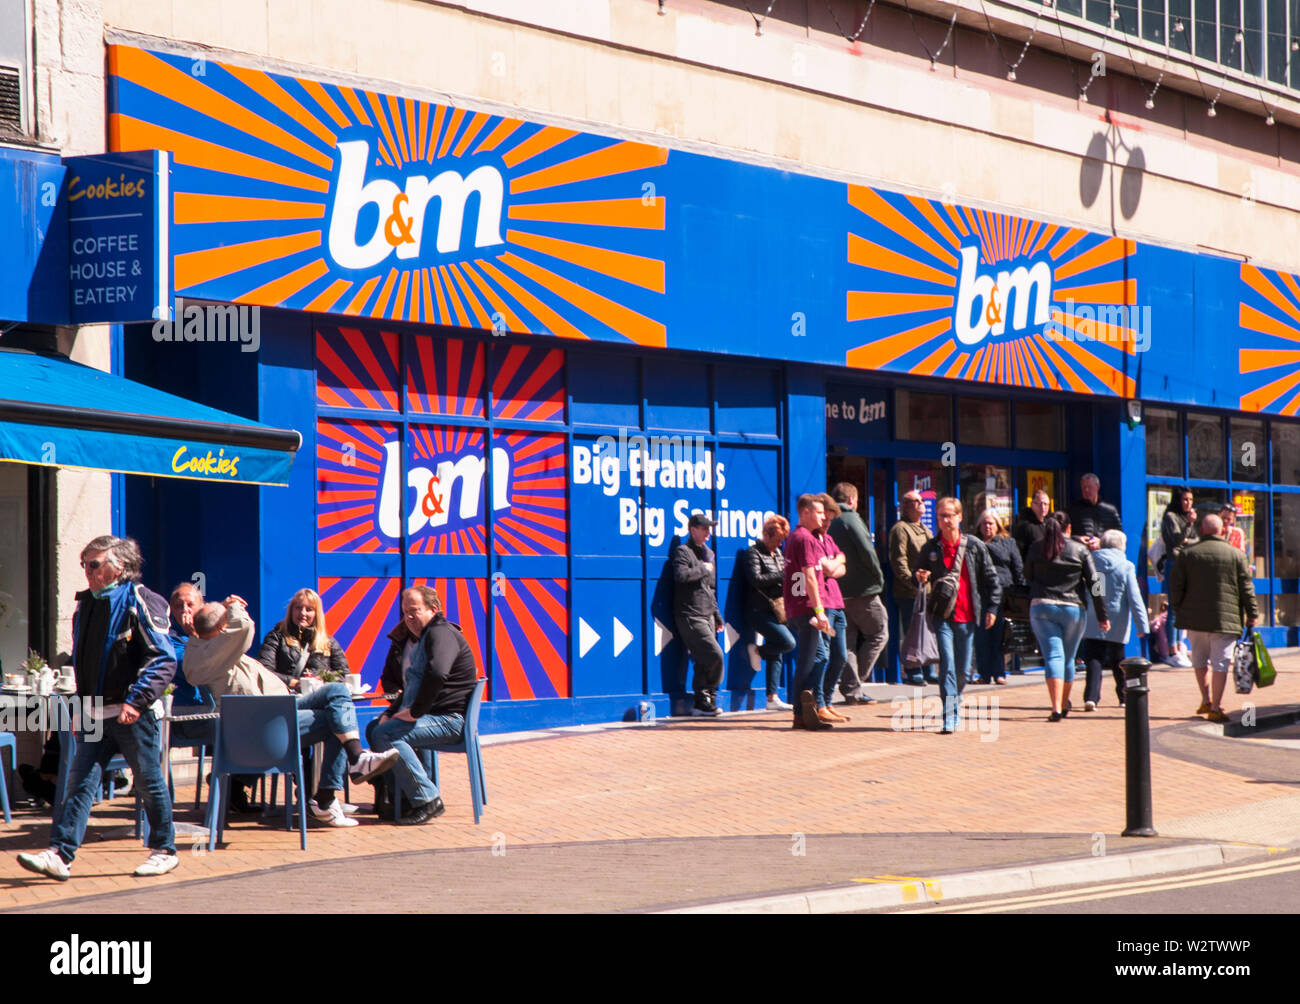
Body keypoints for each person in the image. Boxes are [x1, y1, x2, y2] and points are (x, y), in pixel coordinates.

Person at [17, 536, 180, 881]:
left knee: (149, 783)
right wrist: (78, 707)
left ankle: (164, 850)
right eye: (84, 564)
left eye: (94, 564)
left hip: (132, 713)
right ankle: (60, 854)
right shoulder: (86, 605)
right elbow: (85, 663)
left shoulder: (141, 600)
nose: (88, 572)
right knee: (77, 784)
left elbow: (164, 658)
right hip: (94, 711)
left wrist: (137, 701)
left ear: (119, 567)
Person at [182, 597, 398, 826]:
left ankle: (356, 759)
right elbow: (244, 626)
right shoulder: (215, 652)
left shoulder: (205, 649)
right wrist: (233, 606)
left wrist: (199, 627)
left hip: (279, 707)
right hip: (267, 724)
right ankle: (325, 798)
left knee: (336, 691)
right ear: (221, 628)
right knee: (335, 721)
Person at [369, 585, 479, 824]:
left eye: (414, 611)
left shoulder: (441, 633)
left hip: (450, 720)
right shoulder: (427, 636)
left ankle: (427, 799)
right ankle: (400, 799)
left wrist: (415, 712)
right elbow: (413, 686)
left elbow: (437, 673)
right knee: (376, 727)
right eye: (405, 612)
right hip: (435, 716)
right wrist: (391, 711)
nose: (408, 617)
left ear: (433, 609)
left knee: (385, 734)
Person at [913, 498, 1001, 734]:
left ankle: (956, 697)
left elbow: (992, 580)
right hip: (942, 616)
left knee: (963, 670)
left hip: (968, 615)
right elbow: (917, 574)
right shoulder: (931, 547)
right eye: (941, 515)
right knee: (948, 666)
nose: (945, 520)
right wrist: (920, 576)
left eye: (950, 515)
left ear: (960, 517)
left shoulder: (974, 546)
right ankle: (949, 715)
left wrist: (992, 609)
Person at [1169, 513, 1259, 723]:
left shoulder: (1187, 553)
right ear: (1222, 531)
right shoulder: (1235, 555)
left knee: (1199, 659)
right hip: (1225, 620)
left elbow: (1176, 586)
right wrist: (1252, 613)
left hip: (1195, 619)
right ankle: (1216, 707)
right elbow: (1247, 587)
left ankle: (1205, 699)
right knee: (1220, 663)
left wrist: (1178, 608)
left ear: (1202, 530)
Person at [1024, 513, 1109, 721]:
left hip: (1042, 606)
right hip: (1073, 608)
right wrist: (1102, 614)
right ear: (1069, 528)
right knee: (1068, 658)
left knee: (1054, 655)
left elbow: (1027, 575)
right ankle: (1063, 703)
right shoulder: (1080, 550)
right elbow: (1096, 583)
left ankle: (1055, 708)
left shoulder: (1036, 547)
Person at [827, 482, 886, 705]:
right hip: (863, 592)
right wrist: (878, 578)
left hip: (838, 593)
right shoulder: (851, 518)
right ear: (852, 500)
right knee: (880, 632)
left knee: (848, 642)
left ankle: (852, 690)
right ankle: (853, 684)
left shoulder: (830, 521)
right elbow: (867, 551)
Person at [1080, 530, 1149, 710]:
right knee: (1118, 658)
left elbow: (1094, 590)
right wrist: (1142, 625)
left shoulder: (1092, 560)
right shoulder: (1125, 566)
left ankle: (1091, 697)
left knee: (1094, 658)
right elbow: (1134, 597)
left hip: (1095, 614)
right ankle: (1124, 696)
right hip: (1118, 616)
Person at [785, 494, 833, 730]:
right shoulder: (804, 539)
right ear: (805, 513)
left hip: (797, 608)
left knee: (819, 657)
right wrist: (819, 610)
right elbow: (810, 577)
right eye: (819, 512)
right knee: (806, 662)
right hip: (806, 608)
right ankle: (801, 713)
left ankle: (810, 705)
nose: (824, 517)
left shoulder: (796, 537)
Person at [672, 513, 725, 717]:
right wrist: (703, 569)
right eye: (704, 529)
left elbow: (709, 589)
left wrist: (717, 615)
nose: (708, 534)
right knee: (715, 655)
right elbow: (681, 576)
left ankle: (702, 703)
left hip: (707, 613)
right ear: (692, 529)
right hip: (690, 614)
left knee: (704, 660)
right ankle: (705, 697)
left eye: (709, 530)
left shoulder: (708, 553)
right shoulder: (682, 552)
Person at [741, 515, 796, 711]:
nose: (779, 545)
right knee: (787, 642)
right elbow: (755, 579)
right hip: (758, 611)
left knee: (778, 650)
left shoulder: (778, 554)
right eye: (776, 540)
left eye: (781, 541)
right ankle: (757, 651)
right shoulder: (753, 553)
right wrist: (782, 576)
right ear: (765, 535)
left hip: (776, 610)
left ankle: (772, 698)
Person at [258, 588, 349, 688]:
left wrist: (323, 680)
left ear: (316, 614)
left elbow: (344, 675)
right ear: (291, 611)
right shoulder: (276, 637)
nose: (303, 613)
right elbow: (264, 671)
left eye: (309, 609)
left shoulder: (328, 642)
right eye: (298, 608)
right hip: (288, 696)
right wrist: (295, 683)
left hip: (319, 697)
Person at [889, 489, 935, 686]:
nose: (921, 503)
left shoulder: (926, 529)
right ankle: (913, 670)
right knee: (912, 631)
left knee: (928, 630)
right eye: (916, 501)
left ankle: (928, 668)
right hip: (909, 592)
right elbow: (899, 560)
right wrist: (911, 581)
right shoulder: (901, 529)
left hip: (928, 589)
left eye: (922, 500)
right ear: (906, 507)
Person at [974, 510, 1023, 685]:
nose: (987, 526)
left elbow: (1018, 569)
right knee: (982, 636)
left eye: (991, 523)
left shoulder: (1007, 542)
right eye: (984, 523)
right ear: (979, 526)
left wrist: (1019, 593)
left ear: (997, 525)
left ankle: (999, 673)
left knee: (1000, 636)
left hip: (1004, 595)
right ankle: (983, 674)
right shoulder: (974, 544)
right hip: (981, 595)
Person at [815, 493, 851, 720]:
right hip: (824, 606)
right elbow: (829, 569)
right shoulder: (812, 540)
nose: (827, 524)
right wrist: (836, 564)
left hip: (837, 604)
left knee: (841, 656)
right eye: (825, 519)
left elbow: (842, 564)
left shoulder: (828, 539)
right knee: (824, 655)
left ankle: (827, 701)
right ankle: (819, 704)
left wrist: (837, 563)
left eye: (830, 521)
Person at [1160, 488, 1197, 662]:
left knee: (1182, 608)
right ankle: (1171, 650)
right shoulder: (1171, 517)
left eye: (1190, 500)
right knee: (1173, 607)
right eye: (1185, 500)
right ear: (1178, 500)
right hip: (1174, 564)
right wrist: (1188, 526)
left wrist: (1187, 536)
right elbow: (1175, 541)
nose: (1188, 503)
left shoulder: (1187, 518)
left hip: (1187, 563)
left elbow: (1195, 540)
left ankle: (1179, 645)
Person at [1067, 473, 1121, 551]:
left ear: (1097, 487)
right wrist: (1077, 538)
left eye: (1089, 487)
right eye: (1084, 487)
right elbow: (1065, 534)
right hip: (1082, 553)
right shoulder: (1073, 510)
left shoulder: (1110, 510)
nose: (1086, 490)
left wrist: (1101, 542)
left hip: (1104, 554)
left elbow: (1119, 536)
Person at [1015, 489, 1051, 563]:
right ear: (1032, 505)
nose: (1043, 507)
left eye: (1046, 504)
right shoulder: (1025, 526)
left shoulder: (1049, 524)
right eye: (1039, 504)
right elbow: (1019, 552)